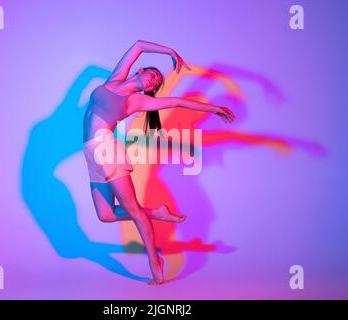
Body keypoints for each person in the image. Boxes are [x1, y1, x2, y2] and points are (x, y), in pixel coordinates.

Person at [82, 39, 236, 284]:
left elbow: (178, 102)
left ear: (149, 90)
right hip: (91, 153)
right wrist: (171, 52)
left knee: (132, 210)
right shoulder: (115, 78)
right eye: (153, 74)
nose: (155, 80)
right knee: (106, 215)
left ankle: (155, 259)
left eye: (157, 83)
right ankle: (157, 212)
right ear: (140, 70)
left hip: (105, 149)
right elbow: (138, 45)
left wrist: (214, 108)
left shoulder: (136, 101)